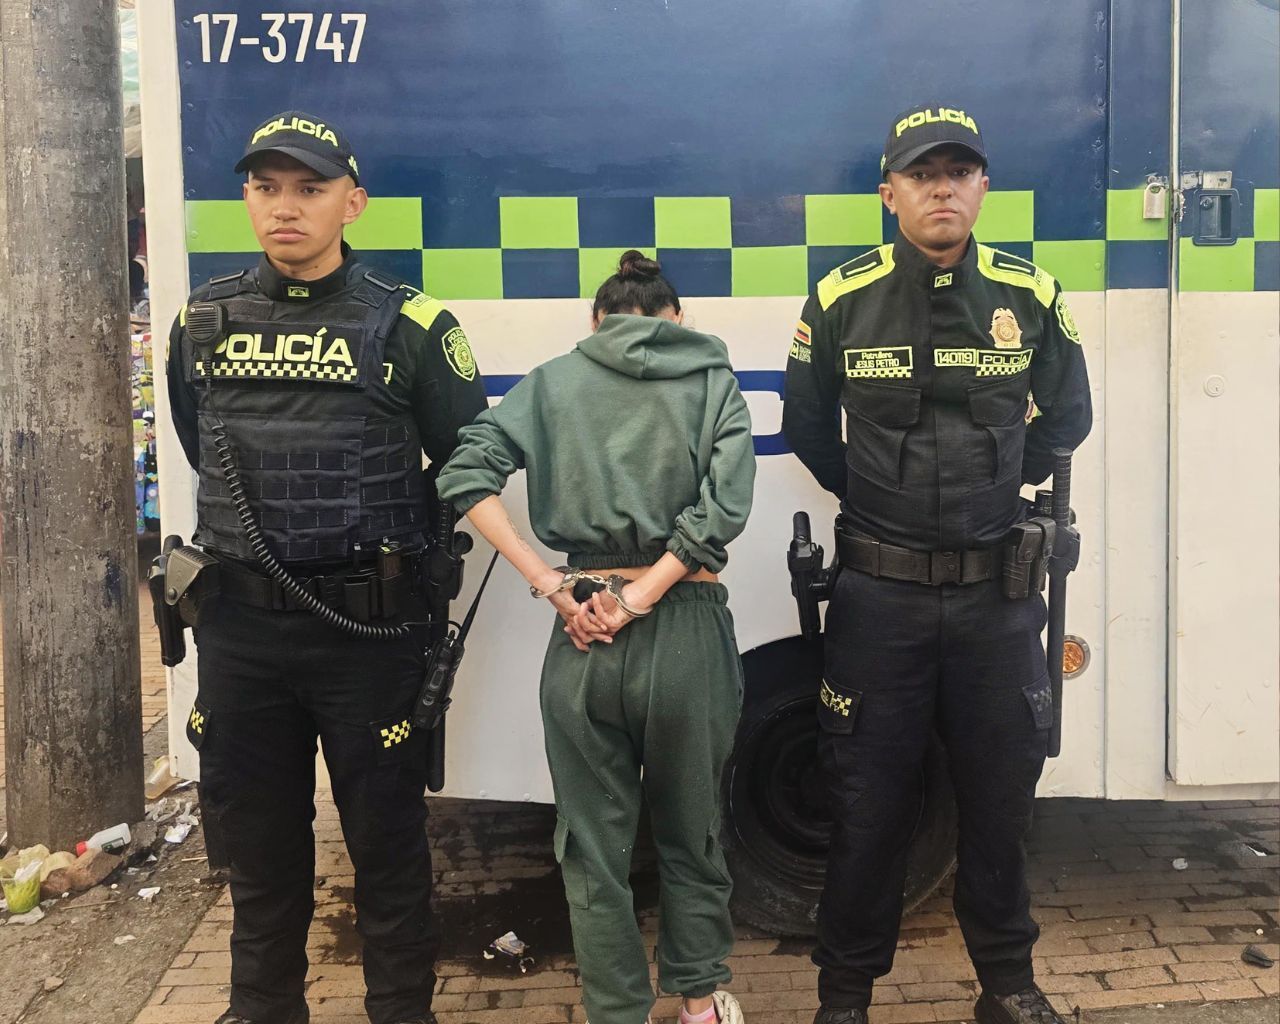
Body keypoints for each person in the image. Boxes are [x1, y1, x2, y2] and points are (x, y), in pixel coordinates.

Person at [166, 111, 488, 1024]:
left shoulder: (412, 324)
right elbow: (198, 445)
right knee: (259, 857)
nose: (285, 207)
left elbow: (467, 461)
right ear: (246, 199)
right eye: (265, 187)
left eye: (309, 188)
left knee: (387, 852)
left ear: (353, 203)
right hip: (240, 632)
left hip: (368, 635)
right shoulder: (201, 321)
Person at [783, 104, 1091, 1024]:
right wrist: (879, 503)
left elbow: (1067, 418)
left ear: (983, 187)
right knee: (866, 807)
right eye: (922, 175)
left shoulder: (1031, 296)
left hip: (998, 601)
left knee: (1001, 806)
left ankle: (1008, 986)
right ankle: (844, 1000)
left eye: (959, 172)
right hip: (881, 603)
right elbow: (808, 426)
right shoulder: (842, 298)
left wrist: (1003, 488)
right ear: (891, 194)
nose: (942, 190)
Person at [435, 251, 755, 1024]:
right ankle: (700, 1003)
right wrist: (639, 598)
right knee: (692, 830)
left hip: (581, 628)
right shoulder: (712, 381)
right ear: (676, 319)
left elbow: (464, 474)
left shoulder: (551, 382)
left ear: (596, 321)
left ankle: (616, 1012)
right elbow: (723, 510)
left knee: (590, 846)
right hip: (685, 628)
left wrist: (550, 584)